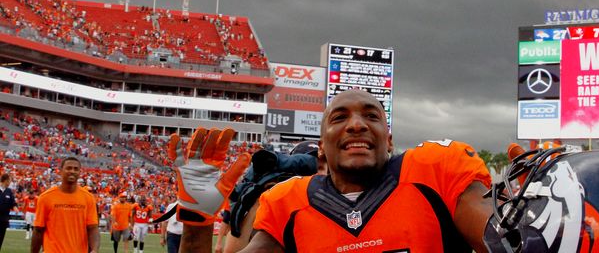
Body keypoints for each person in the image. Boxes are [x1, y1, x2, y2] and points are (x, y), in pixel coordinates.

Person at [171, 89, 495, 253]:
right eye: (339, 119)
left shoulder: (434, 173)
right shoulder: (288, 204)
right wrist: (197, 224)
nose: (356, 125)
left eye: (371, 116)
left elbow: (503, 241)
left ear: (389, 139)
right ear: (322, 147)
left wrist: (534, 227)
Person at [32, 156, 99, 253]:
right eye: (68, 168)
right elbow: (38, 230)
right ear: (60, 171)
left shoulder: (88, 198)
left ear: (80, 172)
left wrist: (94, 250)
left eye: (76, 169)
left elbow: (93, 228)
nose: (72, 171)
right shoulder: (46, 197)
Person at [0, 173, 16, 249]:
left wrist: (15, 207)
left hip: (4, 220)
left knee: (0, 239)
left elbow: (13, 202)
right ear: (5, 180)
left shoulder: (9, 191)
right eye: (9, 180)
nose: (10, 182)